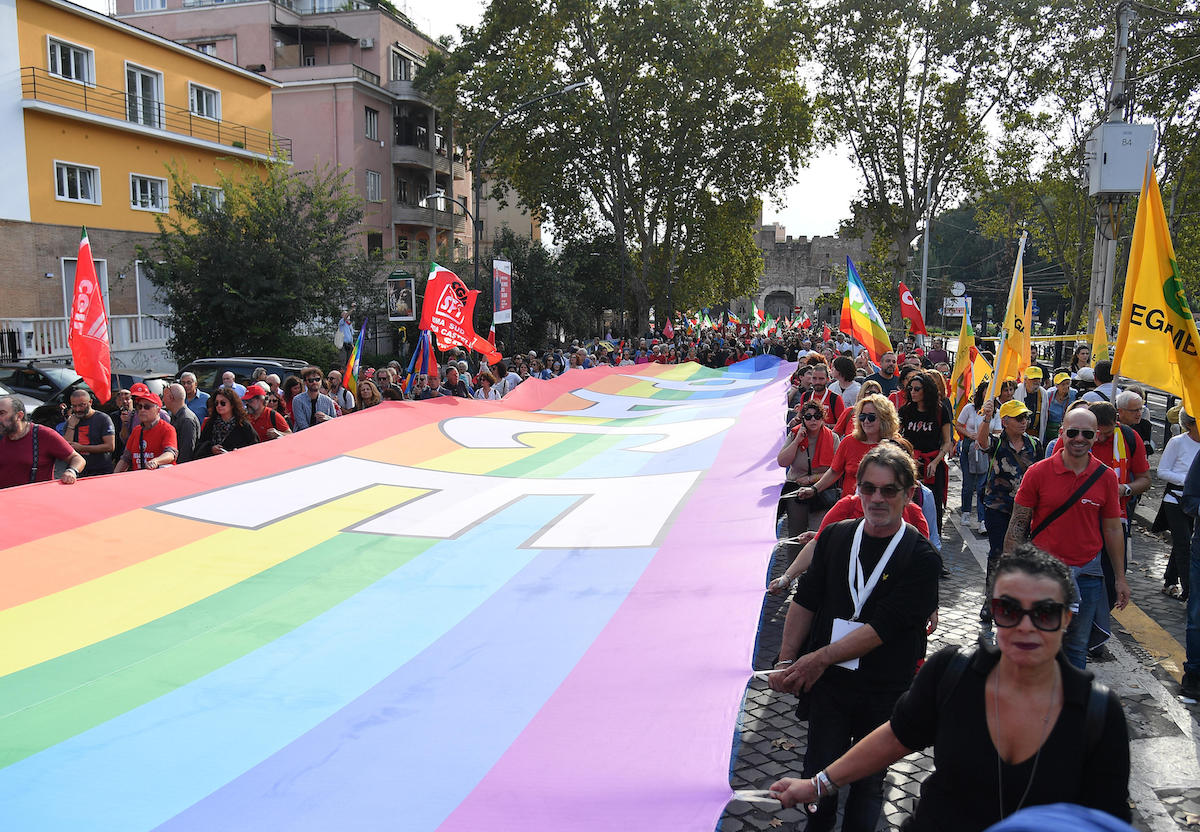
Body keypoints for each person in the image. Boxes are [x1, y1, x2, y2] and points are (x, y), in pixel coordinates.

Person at [768, 545, 1132, 830]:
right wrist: (817, 785)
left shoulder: (1097, 713)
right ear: (992, 611)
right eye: (1009, 610)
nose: (1025, 627)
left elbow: (1106, 820)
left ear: (1067, 619)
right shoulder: (954, 674)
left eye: (1044, 614)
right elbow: (895, 737)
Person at [767, 443, 941, 832]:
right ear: (857, 489)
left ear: (908, 494)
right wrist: (785, 658)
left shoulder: (922, 558)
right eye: (868, 488)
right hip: (830, 686)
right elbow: (806, 600)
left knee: (867, 785)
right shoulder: (835, 537)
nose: (877, 498)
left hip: (883, 687)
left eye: (888, 490)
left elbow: (883, 628)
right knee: (818, 778)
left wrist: (815, 658)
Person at [1005, 408, 1129, 669]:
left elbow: (1113, 529)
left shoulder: (1106, 476)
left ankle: (1070, 705)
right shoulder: (1038, 473)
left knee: (1076, 647)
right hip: (1043, 575)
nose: (1079, 439)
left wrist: (1120, 577)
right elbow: (1018, 524)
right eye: (1072, 432)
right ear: (1062, 433)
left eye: (1086, 434)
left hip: (1088, 575)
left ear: (1096, 436)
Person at [976, 399, 1042, 616]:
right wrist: (986, 418)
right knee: (997, 554)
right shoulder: (997, 443)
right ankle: (990, 601)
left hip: (1025, 511)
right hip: (998, 508)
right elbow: (983, 442)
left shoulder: (1034, 444)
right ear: (1004, 422)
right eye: (1019, 418)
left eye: (1026, 417)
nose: (1024, 422)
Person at [800, 393, 897, 503]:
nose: (865, 421)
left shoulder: (894, 446)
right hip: (850, 508)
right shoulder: (849, 441)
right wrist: (814, 489)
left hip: (882, 508)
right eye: (862, 416)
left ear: (885, 418)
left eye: (871, 417)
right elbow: (834, 471)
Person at [778, 400, 839, 552]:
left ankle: (812, 572)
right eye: (809, 416)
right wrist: (797, 440)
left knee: (817, 537)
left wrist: (812, 479)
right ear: (803, 418)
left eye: (817, 416)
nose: (813, 420)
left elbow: (837, 469)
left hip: (822, 492)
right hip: (796, 492)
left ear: (823, 418)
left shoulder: (833, 438)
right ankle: (791, 574)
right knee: (796, 536)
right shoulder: (795, 434)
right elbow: (782, 461)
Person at [899, 370, 955, 534]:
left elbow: (947, 442)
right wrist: (908, 458)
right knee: (909, 501)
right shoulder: (906, 411)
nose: (913, 392)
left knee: (933, 504)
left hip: (932, 464)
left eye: (917, 389)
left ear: (927, 390)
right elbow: (895, 435)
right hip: (910, 464)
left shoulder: (940, 411)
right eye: (911, 389)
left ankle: (933, 536)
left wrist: (936, 461)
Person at [1158, 410, 1200, 601]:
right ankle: (1190, 591)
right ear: (1190, 424)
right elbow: (1162, 471)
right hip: (1175, 499)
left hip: (1195, 502)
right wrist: (1188, 481)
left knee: (1182, 543)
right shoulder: (1177, 442)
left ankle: (1169, 580)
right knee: (1184, 543)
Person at [0, 395, 84, 488]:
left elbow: (77, 459)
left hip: (34, 499)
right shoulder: (2, 435)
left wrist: (71, 471)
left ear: (19, 416)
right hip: (4, 498)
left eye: (1, 413)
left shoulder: (44, 435)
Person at [113, 383, 178, 472]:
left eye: (147, 407)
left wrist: (156, 461)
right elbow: (125, 459)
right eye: (139, 406)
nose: (142, 410)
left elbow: (171, 454)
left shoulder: (167, 429)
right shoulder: (137, 430)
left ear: (158, 410)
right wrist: (114, 477)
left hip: (159, 479)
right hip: (139, 479)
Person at [955, 382, 990, 533]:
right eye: (986, 392)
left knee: (983, 486)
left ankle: (982, 520)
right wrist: (971, 435)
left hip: (986, 449)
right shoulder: (969, 409)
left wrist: (985, 438)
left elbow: (998, 429)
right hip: (969, 448)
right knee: (968, 484)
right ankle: (966, 512)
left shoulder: (996, 411)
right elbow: (958, 425)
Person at [60, 388, 115, 477]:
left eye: (82, 405)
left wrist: (83, 448)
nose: (77, 409)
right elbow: (66, 447)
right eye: (74, 406)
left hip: (100, 471)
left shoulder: (103, 419)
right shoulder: (72, 421)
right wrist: (71, 426)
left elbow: (110, 446)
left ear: (90, 402)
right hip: (78, 471)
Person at [195, 387, 258, 458]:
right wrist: (211, 449)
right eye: (216, 403)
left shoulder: (243, 424)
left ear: (232, 404)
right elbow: (199, 446)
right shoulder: (211, 423)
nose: (219, 406)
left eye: (223, 403)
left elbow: (255, 446)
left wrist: (238, 452)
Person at [161, 383, 200, 464]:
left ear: (171, 398)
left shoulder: (187, 420)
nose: (163, 400)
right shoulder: (175, 416)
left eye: (164, 396)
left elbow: (186, 453)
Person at [1013, 367, 1050, 446]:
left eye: (1038, 379)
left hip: (1035, 435)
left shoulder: (1043, 393)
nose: (1036, 382)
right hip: (1018, 434)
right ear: (1025, 380)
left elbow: (1044, 417)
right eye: (1033, 379)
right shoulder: (1016, 390)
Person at [1045, 371, 1076, 442]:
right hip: (1049, 431)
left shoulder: (1074, 394)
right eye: (1063, 384)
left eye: (1068, 383)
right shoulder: (1048, 395)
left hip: (1066, 431)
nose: (1066, 386)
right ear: (1056, 386)